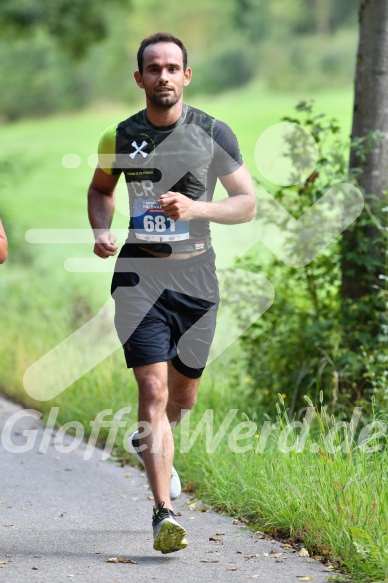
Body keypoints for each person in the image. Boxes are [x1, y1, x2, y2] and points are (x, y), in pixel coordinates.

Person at [87, 32, 255, 554]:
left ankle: (156, 442)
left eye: (172, 67)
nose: (163, 75)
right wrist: (100, 229)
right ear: (139, 78)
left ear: (186, 76)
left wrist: (196, 208)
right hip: (139, 278)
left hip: (197, 280)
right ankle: (164, 514)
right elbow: (100, 189)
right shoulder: (120, 136)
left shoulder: (211, 132)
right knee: (153, 394)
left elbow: (246, 203)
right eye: (153, 68)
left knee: (181, 400)